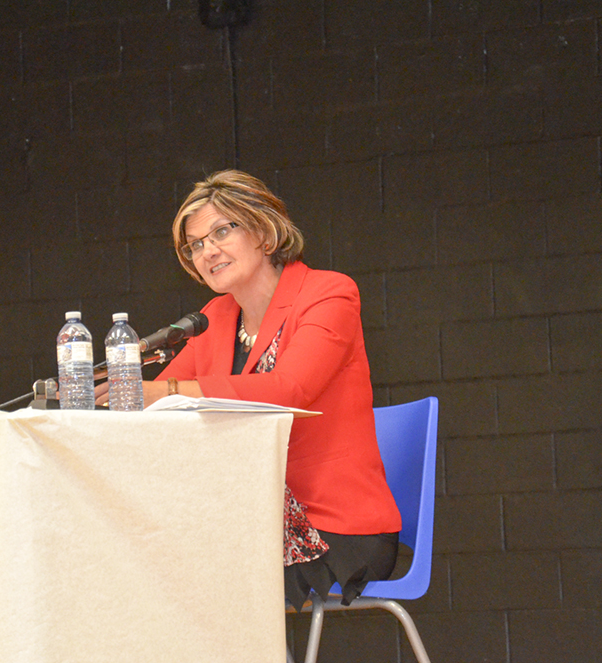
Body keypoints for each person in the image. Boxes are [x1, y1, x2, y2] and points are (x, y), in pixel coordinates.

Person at [94, 169, 401, 610]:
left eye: (221, 231)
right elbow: (156, 397)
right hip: (246, 521)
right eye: (196, 244)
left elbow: (289, 389)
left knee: (187, 591)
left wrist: (166, 394)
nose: (207, 251)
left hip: (332, 528)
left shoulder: (329, 294)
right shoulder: (215, 318)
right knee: (134, 565)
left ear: (263, 229)